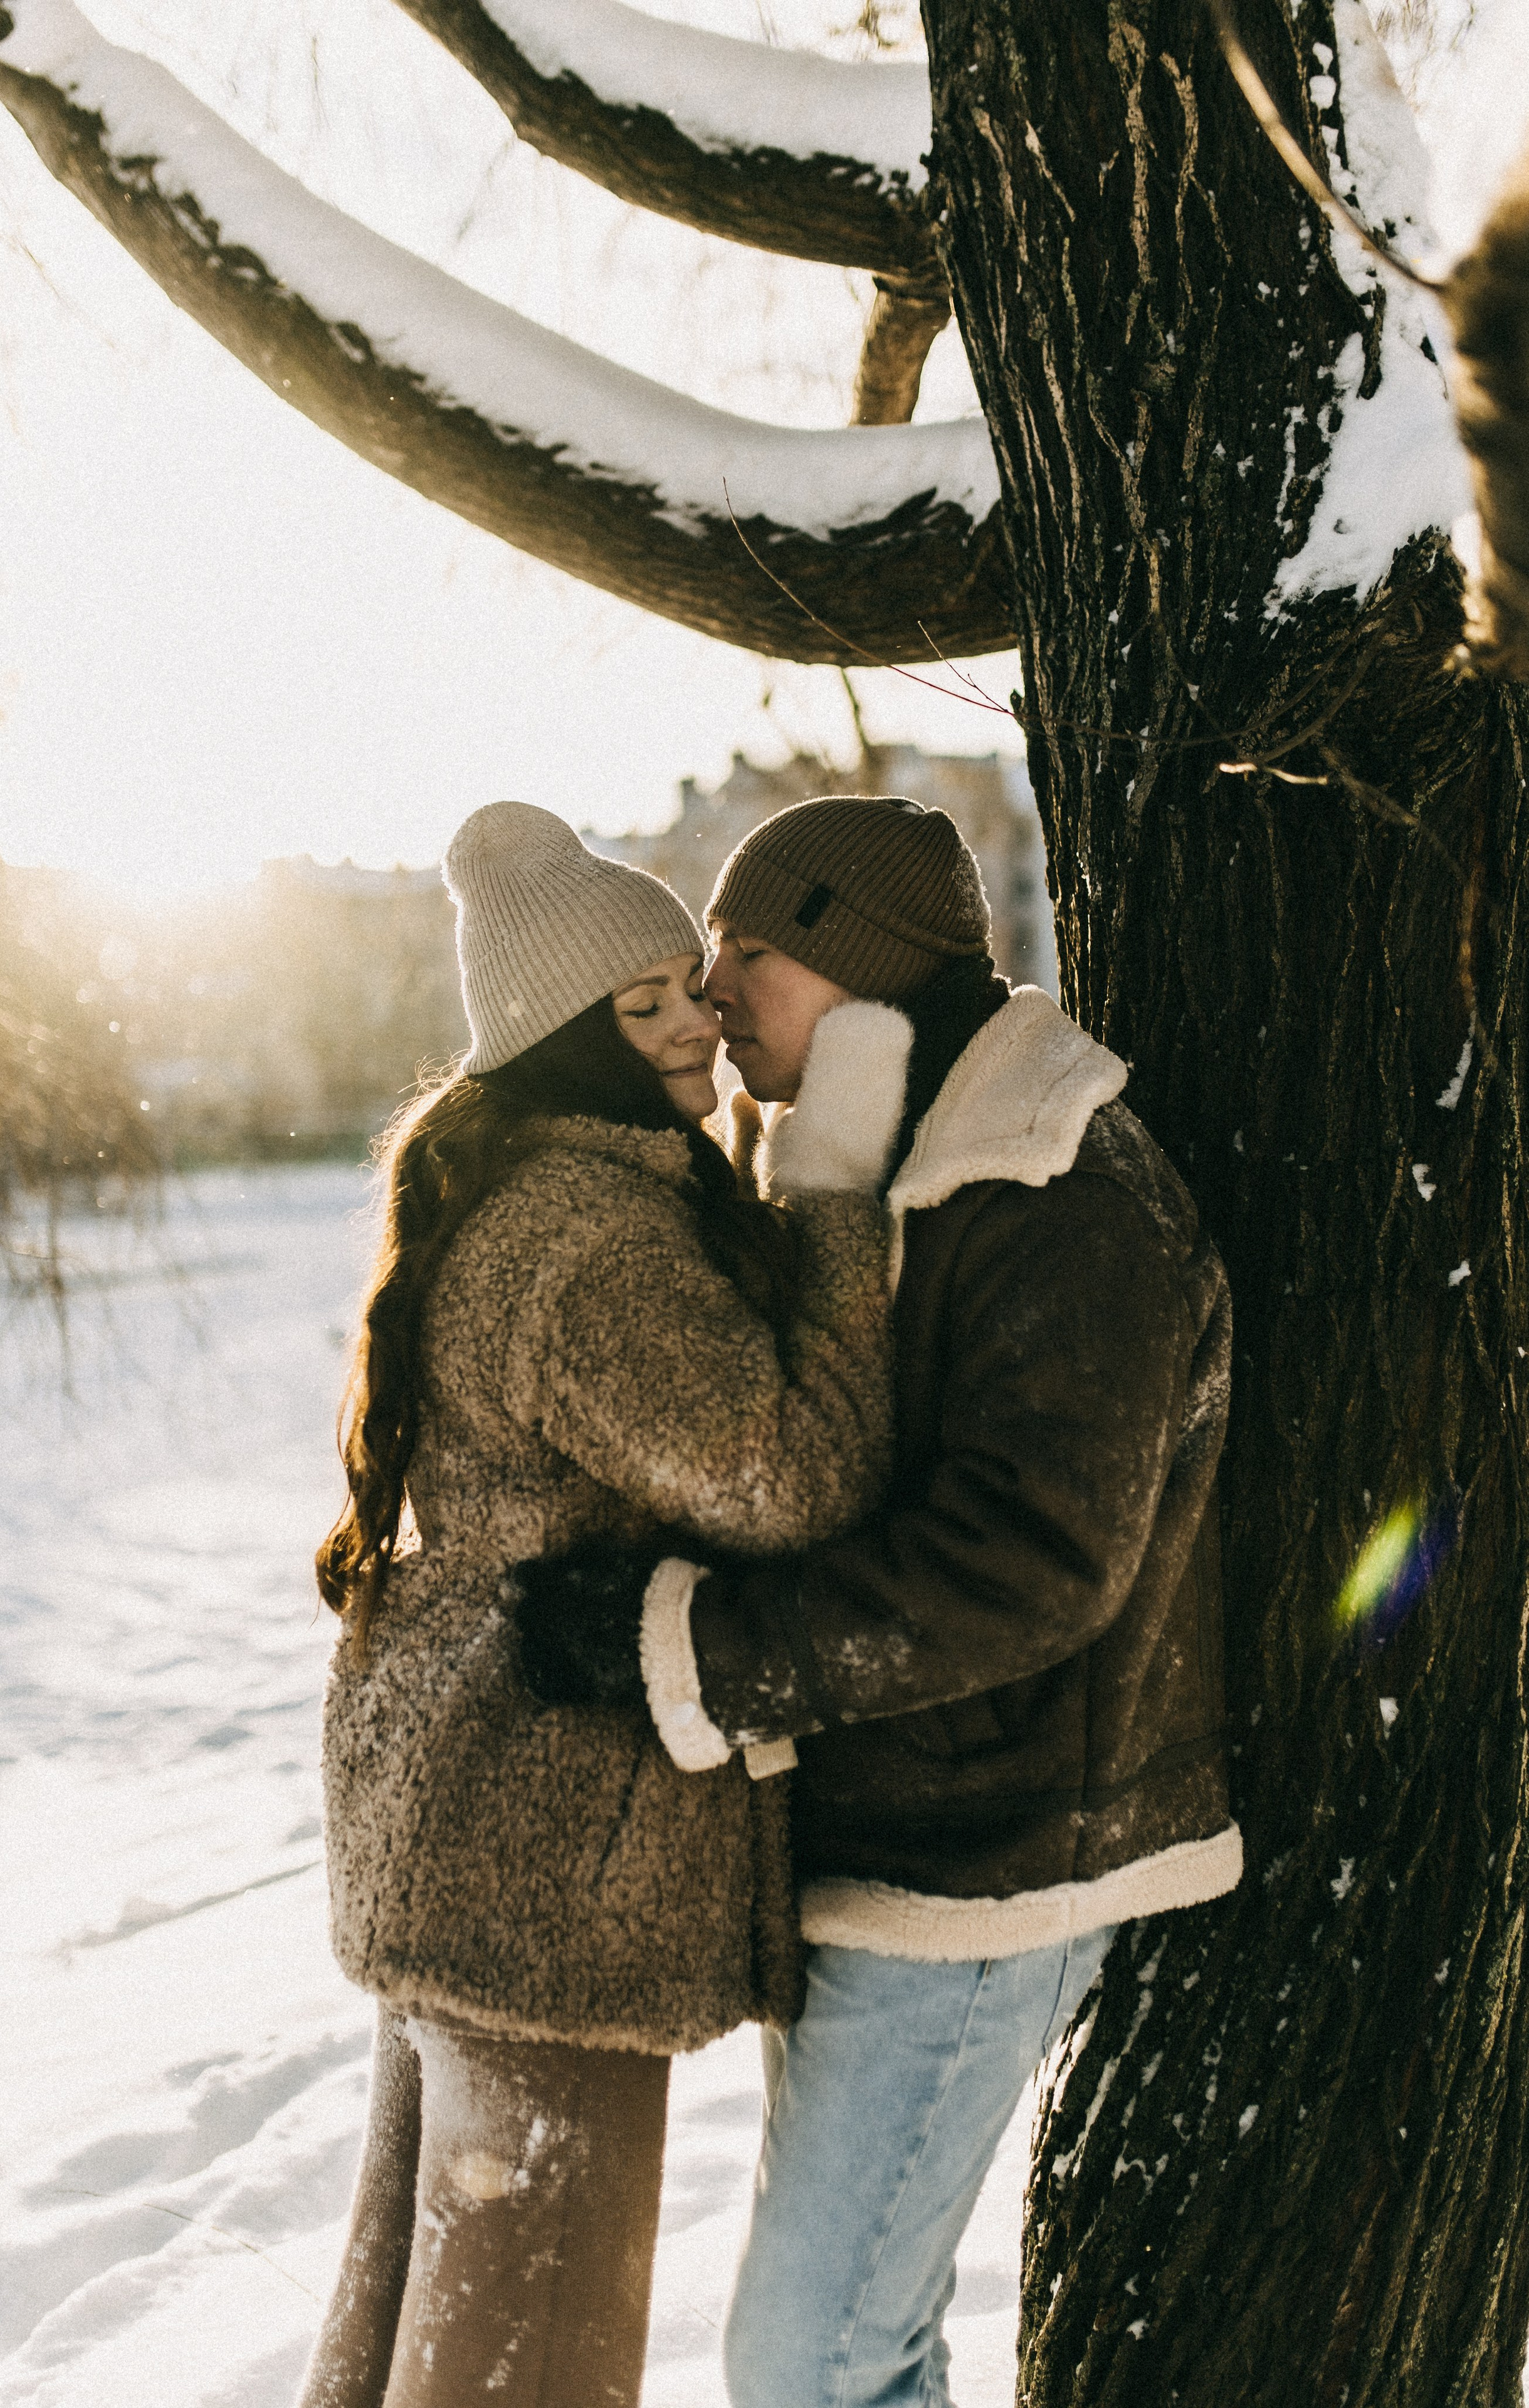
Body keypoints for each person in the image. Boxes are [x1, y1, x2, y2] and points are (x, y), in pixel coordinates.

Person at [512, 792, 1239, 2408]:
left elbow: (1029, 1565)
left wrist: (687, 1648)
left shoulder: (1055, 1183)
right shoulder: (880, 1153)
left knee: (808, 2362)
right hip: (891, 1831)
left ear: (852, 958)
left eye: (741, 954)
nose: (707, 998)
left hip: (992, 1862)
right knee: (841, 2350)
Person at [297, 799, 913, 2408]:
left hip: (468, 1834)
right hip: (544, 1873)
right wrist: (834, 1188)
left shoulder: (539, 1193)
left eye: (685, 984)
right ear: (560, 1041)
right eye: (640, 1005)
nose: (697, 1017)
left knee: (403, 2343)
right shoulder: (587, 1243)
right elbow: (790, 1475)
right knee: (525, 2363)